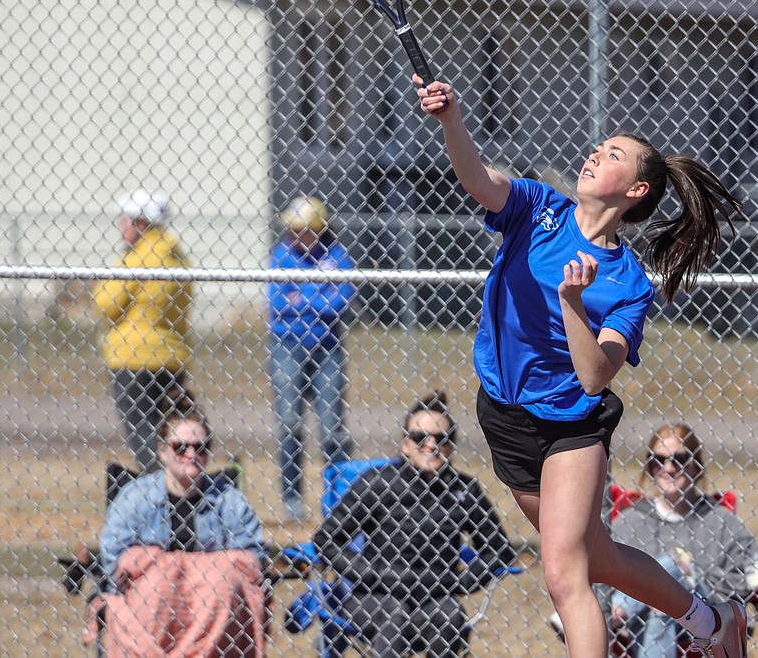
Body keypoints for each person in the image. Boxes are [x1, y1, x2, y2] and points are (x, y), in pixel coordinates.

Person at [415, 76, 746, 658]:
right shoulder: (540, 209)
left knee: (566, 577)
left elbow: (595, 377)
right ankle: (712, 621)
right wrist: (451, 121)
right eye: (599, 147)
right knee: (598, 556)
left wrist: (572, 305)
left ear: (636, 190)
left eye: (612, 155)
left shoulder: (628, 284)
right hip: (504, 414)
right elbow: (479, 180)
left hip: (571, 426)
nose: (596, 154)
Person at [312, 391, 518, 658]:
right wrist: (372, 573)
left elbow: (499, 549)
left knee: (450, 614)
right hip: (373, 593)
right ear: (405, 445)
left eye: (441, 439)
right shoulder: (378, 482)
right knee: (393, 614)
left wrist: (460, 581)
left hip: (435, 593)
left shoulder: (463, 490)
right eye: (419, 437)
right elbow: (326, 539)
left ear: (451, 447)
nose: (430, 445)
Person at [90, 400, 268, 657]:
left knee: (220, 585)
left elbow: (252, 559)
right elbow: (114, 560)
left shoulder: (229, 499)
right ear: (162, 451)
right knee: (158, 587)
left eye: (201, 447)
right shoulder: (135, 497)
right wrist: (167, 569)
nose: (191, 454)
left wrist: (183, 567)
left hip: (212, 601)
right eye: (180, 447)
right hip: (154, 603)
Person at [609, 424, 758, 657]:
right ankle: (629, 609)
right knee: (660, 602)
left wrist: (685, 578)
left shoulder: (721, 520)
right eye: (659, 459)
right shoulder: (631, 521)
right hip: (641, 624)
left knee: (670, 569)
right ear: (650, 467)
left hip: (708, 622)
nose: (669, 468)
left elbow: (750, 572)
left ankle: (612, 617)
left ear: (697, 465)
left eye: (681, 459)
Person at [266, 194, 356, 522]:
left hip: (327, 348)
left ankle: (339, 497)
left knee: (331, 429)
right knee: (290, 425)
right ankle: (292, 500)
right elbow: (277, 302)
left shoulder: (336, 257)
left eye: (301, 229)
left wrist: (300, 296)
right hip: (286, 346)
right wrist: (318, 293)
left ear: (318, 229)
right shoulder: (281, 255)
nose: (293, 235)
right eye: (291, 229)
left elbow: (340, 303)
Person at [94, 188, 194, 473]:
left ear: (140, 223)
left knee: (143, 434)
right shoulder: (177, 255)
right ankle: (177, 481)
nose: (120, 227)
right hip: (172, 355)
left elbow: (106, 303)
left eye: (124, 221)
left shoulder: (136, 257)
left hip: (132, 358)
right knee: (168, 429)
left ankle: (160, 488)